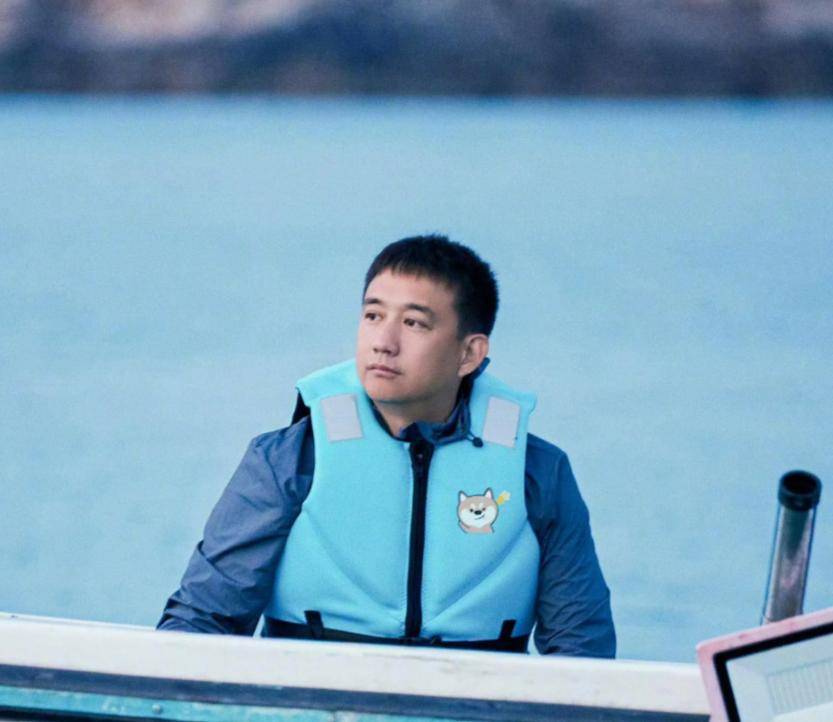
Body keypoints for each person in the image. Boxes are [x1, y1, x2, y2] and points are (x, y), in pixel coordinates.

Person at [158, 235, 615, 657]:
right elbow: (201, 622)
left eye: (414, 323)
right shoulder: (287, 460)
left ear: (469, 354)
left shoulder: (538, 473)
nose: (383, 342)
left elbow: (582, 650)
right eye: (373, 316)